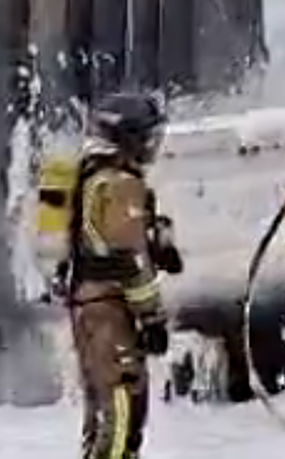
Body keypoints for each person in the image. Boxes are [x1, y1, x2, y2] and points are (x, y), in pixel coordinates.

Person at [64, 92, 182, 459]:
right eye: (148, 136)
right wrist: (152, 319)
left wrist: (155, 237)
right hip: (108, 310)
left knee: (104, 415)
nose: (153, 145)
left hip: (92, 306)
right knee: (121, 412)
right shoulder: (120, 183)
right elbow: (129, 262)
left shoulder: (96, 175)